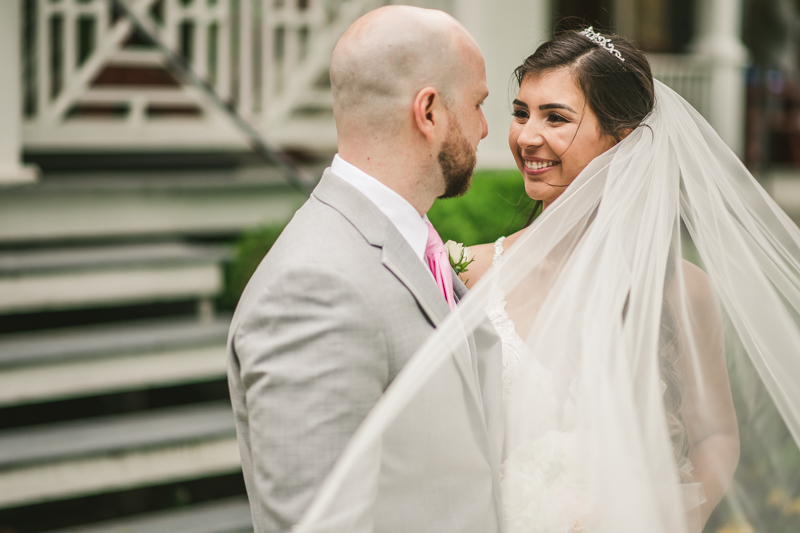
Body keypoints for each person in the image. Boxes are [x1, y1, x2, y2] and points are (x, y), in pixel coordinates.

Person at [296, 26, 800, 533]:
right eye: (520, 113)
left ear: (620, 140)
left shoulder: (681, 291)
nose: (525, 136)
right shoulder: (466, 273)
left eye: (555, 117)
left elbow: (714, 436)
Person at [227, 6, 504, 533]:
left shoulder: (408, 241)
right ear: (429, 112)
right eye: (478, 103)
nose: (486, 127)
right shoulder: (313, 287)